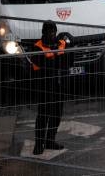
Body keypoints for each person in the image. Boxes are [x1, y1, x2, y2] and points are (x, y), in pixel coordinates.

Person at [29, 20, 69, 155]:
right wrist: (56, 57)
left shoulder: (61, 44)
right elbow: (41, 64)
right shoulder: (37, 47)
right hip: (44, 86)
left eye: (54, 32)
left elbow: (68, 61)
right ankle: (39, 144)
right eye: (49, 32)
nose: (52, 34)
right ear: (43, 32)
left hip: (58, 84)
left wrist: (71, 43)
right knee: (43, 115)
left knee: (57, 113)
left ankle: (50, 140)